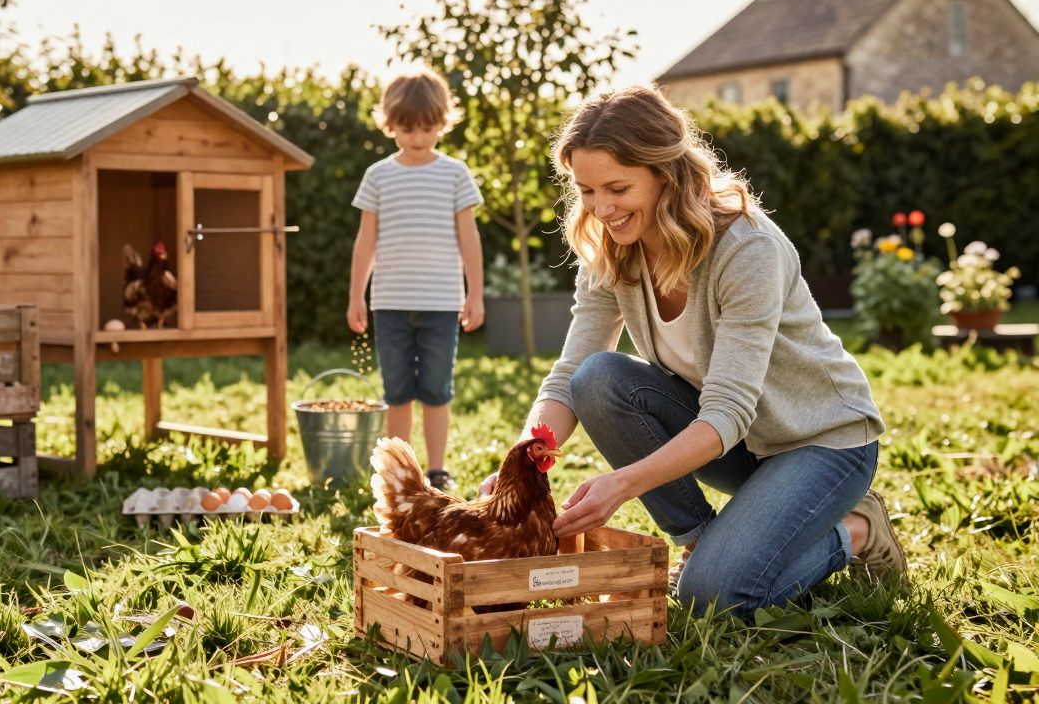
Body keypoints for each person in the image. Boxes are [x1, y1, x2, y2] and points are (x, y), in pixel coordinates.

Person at [481, 86, 906, 616]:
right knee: (598, 379)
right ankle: (703, 540)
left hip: (820, 443)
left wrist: (622, 485)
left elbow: (727, 410)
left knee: (715, 598)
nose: (601, 209)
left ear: (667, 173)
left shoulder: (747, 249)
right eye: (587, 190)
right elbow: (569, 375)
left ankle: (858, 529)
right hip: (741, 446)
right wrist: (521, 461)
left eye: (617, 188)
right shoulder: (613, 247)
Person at [347, 70, 485, 492]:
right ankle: (400, 474)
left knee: (436, 391)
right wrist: (356, 295)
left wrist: (475, 293)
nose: (418, 137)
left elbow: (469, 237)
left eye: (427, 127)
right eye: (408, 128)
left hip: (442, 304)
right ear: (389, 124)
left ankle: (438, 469)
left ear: (442, 123)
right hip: (389, 304)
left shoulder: (455, 174)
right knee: (397, 393)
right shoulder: (378, 176)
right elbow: (365, 240)